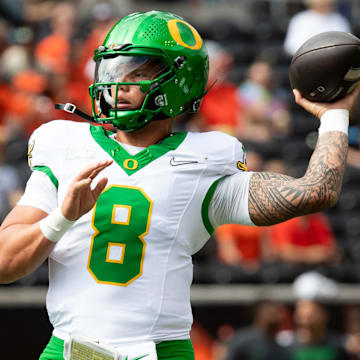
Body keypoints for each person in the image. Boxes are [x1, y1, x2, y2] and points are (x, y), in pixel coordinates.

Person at [0, 9, 358, 360]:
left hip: (158, 351)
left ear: (176, 83)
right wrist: (61, 218)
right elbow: (4, 263)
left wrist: (334, 116)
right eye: (112, 69)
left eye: (135, 72)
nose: (116, 84)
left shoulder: (205, 162)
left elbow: (316, 191)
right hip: (66, 349)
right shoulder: (64, 145)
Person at [225, 301, 291, 360]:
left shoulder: (281, 345)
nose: (278, 317)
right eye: (272, 313)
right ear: (261, 314)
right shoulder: (243, 340)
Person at [284, 0, 351, 56]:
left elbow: (348, 45)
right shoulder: (300, 20)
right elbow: (292, 47)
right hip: (308, 63)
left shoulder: (339, 20)